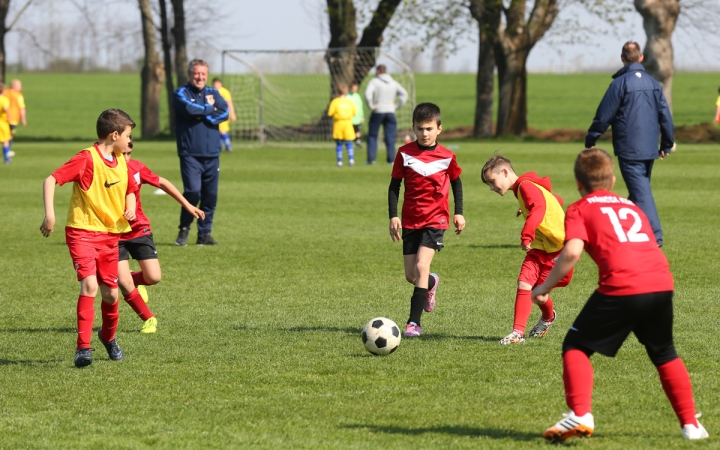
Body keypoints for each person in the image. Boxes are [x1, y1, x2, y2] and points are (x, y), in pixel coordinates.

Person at [532, 148, 708, 442]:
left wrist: (545, 287)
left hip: (622, 286)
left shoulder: (578, 208)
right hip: (661, 283)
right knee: (664, 353)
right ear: (613, 181)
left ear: (578, 183)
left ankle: (580, 414)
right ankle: (691, 426)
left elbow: (572, 252)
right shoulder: (632, 206)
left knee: (576, 346)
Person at [40, 109, 138, 368]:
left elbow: (131, 189)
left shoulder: (121, 160)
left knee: (111, 295)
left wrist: (130, 207)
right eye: (128, 135)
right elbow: (50, 180)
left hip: (110, 235)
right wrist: (50, 215)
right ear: (114, 135)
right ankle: (83, 348)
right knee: (90, 286)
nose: (130, 141)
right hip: (82, 232)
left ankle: (108, 336)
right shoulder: (87, 158)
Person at [585, 41, 674, 247]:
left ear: (622, 58)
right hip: (650, 148)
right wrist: (666, 143)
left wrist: (592, 138)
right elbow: (665, 116)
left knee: (641, 193)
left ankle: (655, 236)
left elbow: (604, 115)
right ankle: (621, 231)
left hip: (629, 148)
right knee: (638, 192)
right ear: (641, 58)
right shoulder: (654, 84)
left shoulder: (619, 84)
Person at [388, 102, 465, 337]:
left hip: (435, 219)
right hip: (411, 219)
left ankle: (413, 323)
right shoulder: (404, 153)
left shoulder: (447, 156)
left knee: (422, 266)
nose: (424, 133)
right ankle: (431, 283)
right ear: (413, 128)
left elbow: (456, 183)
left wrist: (459, 211)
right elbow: (394, 186)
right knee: (412, 275)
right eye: (420, 128)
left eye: (429, 128)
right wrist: (393, 215)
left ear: (439, 129)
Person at [481, 155, 573, 345]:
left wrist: (527, 235)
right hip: (540, 248)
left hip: (559, 250)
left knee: (539, 294)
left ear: (505, 172)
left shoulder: (525, 186)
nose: (491, 188)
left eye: (492, 181)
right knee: (524, 283)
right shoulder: (525, 187)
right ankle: (517, 333)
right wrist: (526, 209)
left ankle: (548, 317)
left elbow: (539, 206)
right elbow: (554, 199)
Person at [118, 138, 205, 334]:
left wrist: (187, 205)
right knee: (122, 282)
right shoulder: (105, 171)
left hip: (139, 229)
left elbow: (162, 182)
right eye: (122, 154)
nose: (126, 158)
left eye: (129, 154)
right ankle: (149, 319)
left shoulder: (136, 168)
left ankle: (132, 280)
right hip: (114, 233)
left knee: (154, 277)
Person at [174, 59, 228, 246]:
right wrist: (209, 110)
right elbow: (188, 109)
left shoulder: (214, 93)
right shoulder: (181, 93)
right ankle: (184, 229)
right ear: (190, 74)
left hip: (212, 153)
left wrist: (204, 116)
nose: (200, 77)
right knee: (192, 192)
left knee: (210, 196)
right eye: (196, 73)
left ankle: (204, 234)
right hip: (189, 153)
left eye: (203, 74)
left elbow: (224, 111)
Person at [365, 64, 408, 165]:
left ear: (378, 71)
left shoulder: (374, 81)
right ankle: (391, 160)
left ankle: (371, 160)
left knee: (372, 135)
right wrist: (396, 106)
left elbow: (367, 94)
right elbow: (404, 94)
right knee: (390, 136)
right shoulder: (393, 82)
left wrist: (371, 106)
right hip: (390, 111)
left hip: (378, 111)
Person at [327, 83, 358, 167]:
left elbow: (330, 113)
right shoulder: (350, 102)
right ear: (346, 91)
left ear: (337, 91)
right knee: (349, 143)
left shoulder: (335, 102)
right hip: (348, 124)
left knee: (339, 143)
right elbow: (355, 112)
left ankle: (339, 161)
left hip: (338, 124)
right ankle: (351, 160)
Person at [212, 78, 237, 152]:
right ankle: (219, 147)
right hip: (216, 114)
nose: (216, 85)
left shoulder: (224, 91)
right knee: (218, 131)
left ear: (220, 84)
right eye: (214, 83)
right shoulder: (212, 91)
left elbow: (229, 103)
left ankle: (228, 146)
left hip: (224, 113)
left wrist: (232, 113)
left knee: (222, 130)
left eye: (217, 83)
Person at [4, 79, 26, 158]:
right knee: (10, 136)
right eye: (20, 86)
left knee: (4, 135)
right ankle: (7, 151)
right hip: (13, 118)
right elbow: (22, 108)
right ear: (15, 86)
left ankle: (6, 151)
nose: (21, 88)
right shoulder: (18, 95)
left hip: (3, 118)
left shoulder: (5, 92)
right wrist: (23, 119)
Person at [348, 82, 364, 148]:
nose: (354, 90)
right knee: (350, 131)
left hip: (357, 117)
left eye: (356, 89)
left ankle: (358, 143)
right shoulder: (347, 96)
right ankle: (349, 143)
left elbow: (360, 106)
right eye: (353, 88)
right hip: (350, 118)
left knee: (357, 131)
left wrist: (362, 116)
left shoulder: (358, 96)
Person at [0, 83, 11, 165]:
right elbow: (5, 108)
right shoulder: (4, 99)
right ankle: (7, 159)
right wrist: (9, 115)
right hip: (3, 123)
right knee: (5, 141)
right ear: (3, 90)